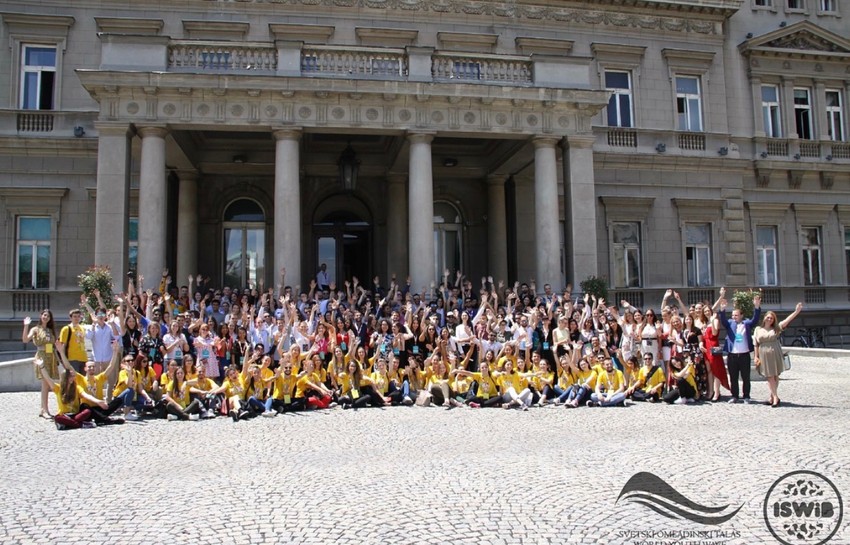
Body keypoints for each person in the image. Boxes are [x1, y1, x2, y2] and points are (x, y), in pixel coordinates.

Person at [754, 303, 803, 408]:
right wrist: (756, 356)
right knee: (770, 376)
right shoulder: (758, 329)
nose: (769, 319)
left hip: (774, 352)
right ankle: (775, 397)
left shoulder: (776, 328)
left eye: (771, 318)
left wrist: (796, 311)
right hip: (763, 354)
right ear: (764, 318)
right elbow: (756, 344)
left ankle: (773, 397)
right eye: (768, 317)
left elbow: (787, 320)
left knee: (775, 376)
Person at [719, 292, 761, 404]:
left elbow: (755, 320)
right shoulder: (729, 323)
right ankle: (734, 396)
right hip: (732, 355)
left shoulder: (746, 323)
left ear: (741, 315)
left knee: (745, 377)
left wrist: (756, 307)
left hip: (744, 355)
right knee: (733, 377)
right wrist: (722, 310)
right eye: (732, 315)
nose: (734, 317)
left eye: (736, 315)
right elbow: (723, 321)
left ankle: (746, 396)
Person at [22, 310, 58, 418]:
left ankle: (44, 409)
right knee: (45, 384)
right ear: (41, 316)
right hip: (42, 356)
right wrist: (26, 326)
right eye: (44, 315)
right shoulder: (35, 329)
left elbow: (53, 345)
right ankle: (44, 409)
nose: (46, 317)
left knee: (47, 384)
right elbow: (25, 339)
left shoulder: (50, 330)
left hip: (51, 356)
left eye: (48, 316)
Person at [57, 308, 87, 374]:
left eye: (78, 316)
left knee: (82, 381)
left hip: (83, 358)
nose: (76, 318)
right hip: (72, 359)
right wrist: (64, 360)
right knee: (74, 380)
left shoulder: (82, 328)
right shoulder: (66, 329)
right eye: (74, 316)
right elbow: (62, 346)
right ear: (70, 318)